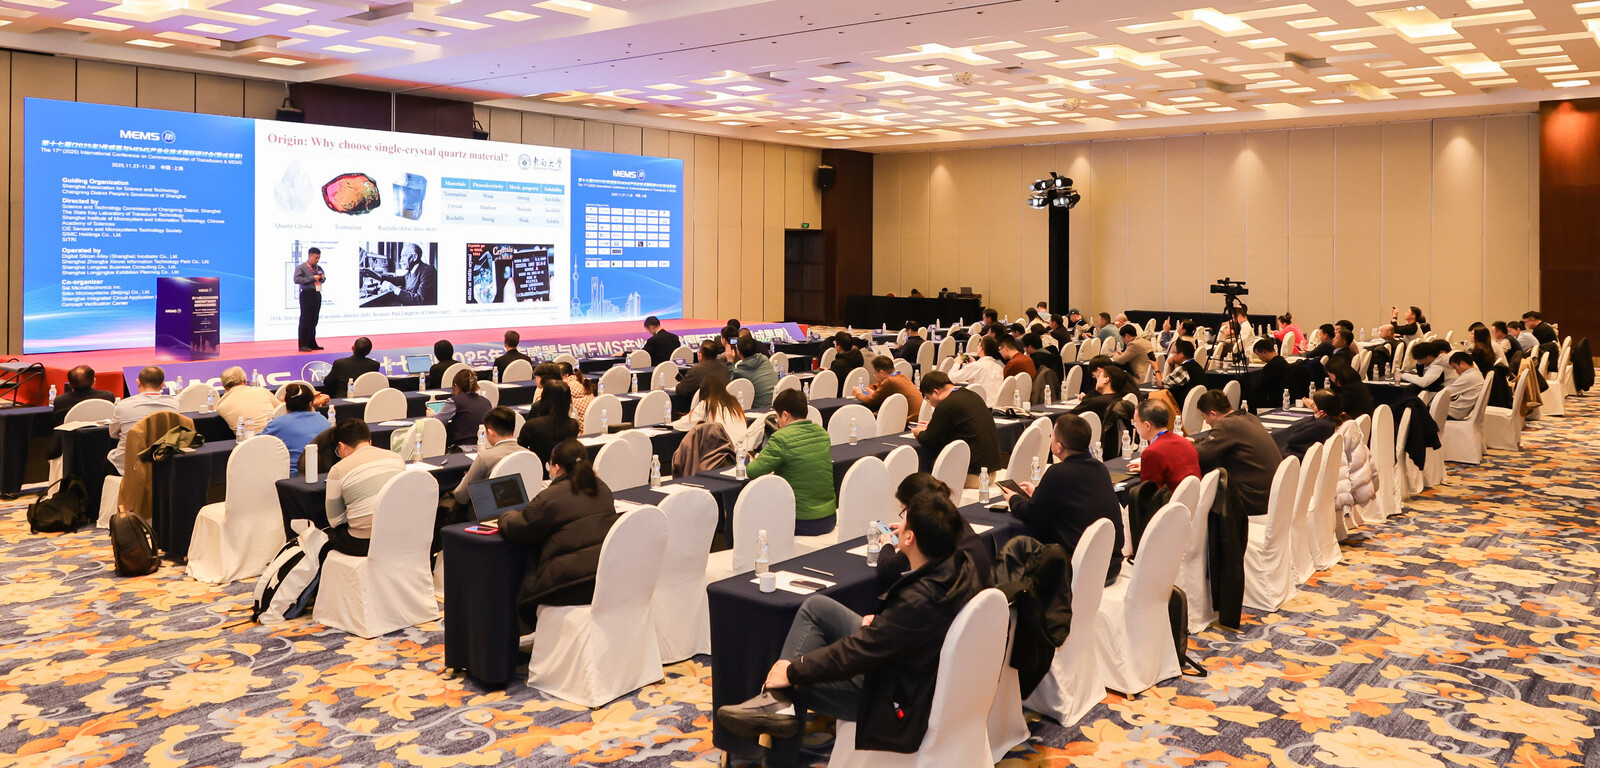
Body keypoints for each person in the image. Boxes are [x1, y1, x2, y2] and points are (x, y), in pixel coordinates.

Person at [715, 489, 981, 759]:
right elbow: (905, 630)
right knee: (816, 608)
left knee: (788, 686)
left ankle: (777, 715)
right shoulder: (958, 566)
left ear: (910, 537)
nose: (898, 525)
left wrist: (794, 671)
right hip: (913, 664)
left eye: (904, 520)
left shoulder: (916, 602)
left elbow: (856, 653)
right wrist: (887, 623)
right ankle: (777, 706)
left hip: (894, 694)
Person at [498, 438, 617, 631]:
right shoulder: (601, 488)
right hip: (604, 577)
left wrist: (505, 515)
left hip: (567, 585)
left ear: (557, 467)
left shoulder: (550, 497)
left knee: (521, 596)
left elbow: (520, 528)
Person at [1001, 413, 1125, 583]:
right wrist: (1038, 492)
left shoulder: (1058, 472)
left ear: (1058, 447)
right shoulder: (1099, 468)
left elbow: (1032, 514)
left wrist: (1014, 499)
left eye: (1052, 436)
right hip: (1111, 566)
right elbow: (1071, 498)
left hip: (1080, 571)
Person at [874, 473, 992, 588]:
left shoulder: (928, 530)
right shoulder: (950, 517)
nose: (904, 517)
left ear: (914, 507)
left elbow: (887, 569)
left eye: (904, 512)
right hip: (980, 589)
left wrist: (887, 543)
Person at [745, 389, 837, 535]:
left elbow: (752, 471)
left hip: (801, 521)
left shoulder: (781, 438)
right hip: (829, 518)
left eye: (777, 417)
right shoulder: (822, 433)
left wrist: (759, 460)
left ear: (785, 415)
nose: (778, 422)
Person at [323, 419, 406, 557]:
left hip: (365, 543)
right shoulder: (396, 458)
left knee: (325, 536)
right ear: (370, 441)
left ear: (341, 446)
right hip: (400, 535)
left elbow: (335, 521)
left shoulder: (337, 470)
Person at [1192, 390, 1282, 517]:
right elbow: (1216, 440)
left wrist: (1183, 445)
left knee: (1208, 488)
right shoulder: (1247, 416)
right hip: (1272, 494)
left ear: (1213, 414)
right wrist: (1195, 441)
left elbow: (1201, 454)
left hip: (1254, 500)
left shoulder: (1226, 425)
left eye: (1204, 417)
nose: (1206, 422)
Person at [913, 371, 1001, 484]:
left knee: (929, 473)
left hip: (972, 475)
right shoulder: (972, 395)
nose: (930, 403)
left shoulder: (945, 405)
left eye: (928, 398)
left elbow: (929, 439)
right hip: (990, 472)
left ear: (936, 392)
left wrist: (919, 432)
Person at [451, 407, 529, 509]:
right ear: (514, 430)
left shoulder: (485, 458)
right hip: (524, 511)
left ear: (490, 432)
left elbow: (461, 497)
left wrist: (465, 478)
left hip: (490, 513)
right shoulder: (530, 455)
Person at [261, 383, 328, 478]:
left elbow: (256, 443)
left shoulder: (278, 424)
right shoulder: (324, 421)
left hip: (290, 478)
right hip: (321, 475)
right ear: (310, 403)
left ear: (286, 404)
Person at [1130, 399, 1199, 492]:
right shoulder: (1185, 442)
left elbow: (1148, 494)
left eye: (1135, 422)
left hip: (1170, 500)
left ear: (1147, 425)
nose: (1134, 426)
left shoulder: (1152, 452)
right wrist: (1147, 467)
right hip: (1192, 497)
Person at [673, 376, 748, 445]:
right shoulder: (734, 403)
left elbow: (681, 425)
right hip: (743, 448)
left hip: (725, 450)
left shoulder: (707, 404)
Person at [519, 380, 581, 463]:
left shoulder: (531, 426)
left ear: (544, 398)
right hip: (564, 467)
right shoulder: (573, 425)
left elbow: (520, 451)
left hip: (537, 468)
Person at [1273, 390, 1345, 460]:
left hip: (1296, 459)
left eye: (1314, 405)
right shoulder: (1335, 421)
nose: (1313, 408)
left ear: (1322, 413)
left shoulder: (1321, 424)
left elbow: (1293, 439)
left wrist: (1313, 419)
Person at [432, 368, 493, 449]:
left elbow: (438, 422)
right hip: (485, 446)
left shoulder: (454, 401)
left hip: (464, 448)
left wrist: (431, 415)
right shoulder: (486, 401)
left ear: (456, 386)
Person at [852, 356, 922, 425]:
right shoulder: (902, 377)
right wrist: (875, 394)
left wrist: (858, 393)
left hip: (909, 421)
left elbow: (871, 401)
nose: (876, 377)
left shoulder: (889, 381)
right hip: (919, 417)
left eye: (875, 374)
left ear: (881, 373)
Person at [364, 243, 437, 306]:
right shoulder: (411, 271)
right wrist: (373, 275)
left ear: (414, 257)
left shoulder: (428, 271)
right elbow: (397, 280)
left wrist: (394, 289)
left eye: (404, 256)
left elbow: (420, 300)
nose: (401, 260)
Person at [214, 366, 277, 434]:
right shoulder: (262, 391)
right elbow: (282, 410)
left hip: (249, 440)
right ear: (245, 381)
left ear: (223, 386)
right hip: (275, 437)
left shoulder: (220, 406)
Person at [1072, 362, 1139, 421]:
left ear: (1106, 380)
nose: (1097, 380)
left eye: (1099, 376)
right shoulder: (1120, 400)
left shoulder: (1095, 403)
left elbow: (1070, 416)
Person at [950, 336, 1005, 406]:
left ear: (981, 348)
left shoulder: (976, 366)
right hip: (994, 406)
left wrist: (957, 363)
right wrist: (973, 364)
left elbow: (951, 378)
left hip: (977, 405)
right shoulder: (999, 367)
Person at [728, 336, 779, 410]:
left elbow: (730, 384)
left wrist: (730, 361)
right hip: (777, 406)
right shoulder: (764, 359)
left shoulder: (740, 371)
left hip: (759, 410)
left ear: (738, 352)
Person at [1157, 339, 1207, 407]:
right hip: (1196, 405)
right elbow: (1173, 381)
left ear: (1181, 354)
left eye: (1173, 352)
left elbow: (1162, 384)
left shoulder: (1183, 369)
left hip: (1181, 406)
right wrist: (1171, 365)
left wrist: (1156, 369)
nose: (1172, 355)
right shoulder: (1195, 365)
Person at [294, 248, 325, 352]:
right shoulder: (302, 267)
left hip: (316, 294)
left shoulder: (318, 268)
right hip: (306, 294)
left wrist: (322, 278)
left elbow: (322, 280)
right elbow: (297, 280)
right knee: (305, 320)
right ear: (310, 256)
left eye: (319, 257)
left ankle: (312, 343)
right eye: (316, 257)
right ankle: (303, 344)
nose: (317, 260)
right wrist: (312, 278)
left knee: (314, 319)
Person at [1443, 351, 1487, 420]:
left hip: (1453, 413)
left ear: (1462, 363)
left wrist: (1448, 395)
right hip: (1458, 411)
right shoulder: (1476, 373)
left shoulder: (1469, 376)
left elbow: (1445, 392)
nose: (1456, 371)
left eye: (1455, 367)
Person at [1252, 338, 1291, 411]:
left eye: (1258, 355)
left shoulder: (1270, 367)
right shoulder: (1283, 361)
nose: (1259, 358)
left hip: (1273, 401)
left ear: (1264, 351)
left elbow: (1262, 389)